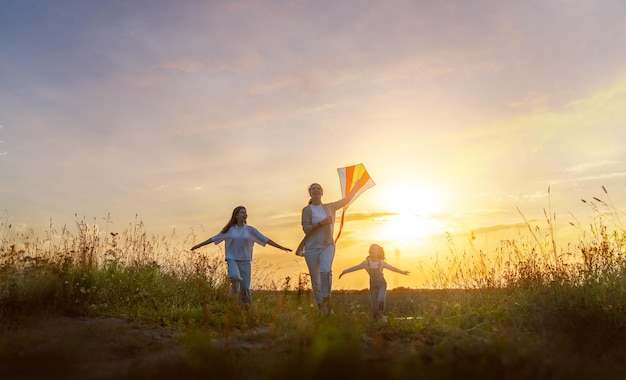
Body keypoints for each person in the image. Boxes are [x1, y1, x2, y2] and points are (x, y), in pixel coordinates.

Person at [190, 205, 292, 306]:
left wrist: (282, 247)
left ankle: (245, 307)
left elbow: (265, 239)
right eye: (242, 212)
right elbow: (213, 238)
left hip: (245, 260)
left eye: (245, 212)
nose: (245, 214)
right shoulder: (229, 230)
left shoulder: (250, 230)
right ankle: (234, 290)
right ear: (236, 216)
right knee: (235, 277)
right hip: (232, 259)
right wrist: (198, 246)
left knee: (245, 287)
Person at [295, 180, 363, 316]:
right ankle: (321, 308)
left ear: (322, 192)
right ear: (310, 193)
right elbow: (306, 230)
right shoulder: (307, 210)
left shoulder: (330, 207)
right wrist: (322, 223)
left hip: (327, 245)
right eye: (313, 189)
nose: (316, 190)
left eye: (318, 188)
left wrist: (356, 186)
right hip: (311, 248)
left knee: (325, 272)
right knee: (316, 281)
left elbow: (346, 200)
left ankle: (326, 302)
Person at [338, 243, 409, 323]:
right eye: (370, 248)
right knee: (374, 308)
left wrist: (402, 272)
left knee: (380, 300)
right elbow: (355, 267)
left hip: (382, 284)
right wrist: (344, 272)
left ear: (378, 252)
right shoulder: (366, 263)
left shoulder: (381, 262)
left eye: (374, 248)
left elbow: (392, 268)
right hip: (373, 286)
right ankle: (376, 321)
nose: (371, 249)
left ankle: (382, 316)